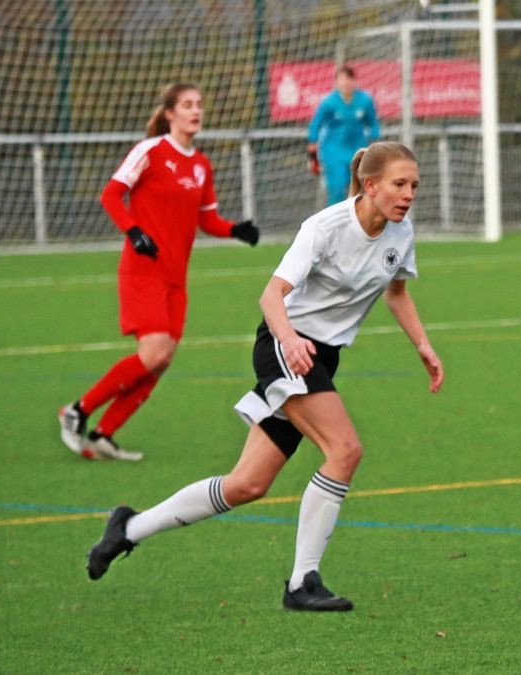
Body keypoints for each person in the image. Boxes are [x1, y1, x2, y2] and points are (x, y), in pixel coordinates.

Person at [85, 141, 443, 612]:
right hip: (284, 346)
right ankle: (302, 582)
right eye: (400, 184)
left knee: (246, 485)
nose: (409, 194)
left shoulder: (401, 231)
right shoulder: (325, 226)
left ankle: (127, 528)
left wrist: (422, 344)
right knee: (345, 449)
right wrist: (291, 342)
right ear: (371, 185)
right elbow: (271, 296)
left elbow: (397, 294)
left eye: (414, 185)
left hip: (320, 356)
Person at [57, 83, 261, 462]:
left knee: (163, 359)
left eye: (199, 104)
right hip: (142, 271)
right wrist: (133, 232)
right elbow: (110, 194)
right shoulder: (150, 151)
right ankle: (77, 411)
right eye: (187, 105)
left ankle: (104, 434)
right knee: (153, 353)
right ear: (170, 113)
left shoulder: (201, 165)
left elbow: (207, 219)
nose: (195, 111)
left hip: (175, 278)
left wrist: (235, 229)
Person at [307, 65, 381, 206]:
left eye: (349, 79)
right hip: (333, 151)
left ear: (355, 81)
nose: (346, 83)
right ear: (336, 82)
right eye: (342, 79)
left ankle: (360, 224)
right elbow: (315, 124)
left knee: (361, 188)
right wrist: (312, 145)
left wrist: (374, 139)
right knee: (337, 188)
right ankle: (336, 225)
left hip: (358, 149)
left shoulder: (365, 100)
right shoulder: (328, 102)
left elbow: (373, 123)